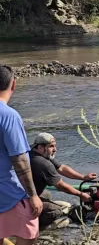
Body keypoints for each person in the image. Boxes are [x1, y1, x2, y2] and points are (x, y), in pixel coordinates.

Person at [0, 65, 43, 245]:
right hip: (9, 192)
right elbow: (20, 160)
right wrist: (33, 195)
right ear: (13, 85)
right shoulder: (9, 116)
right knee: (29, 234)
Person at [29, 132, 96, 228]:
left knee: (46, 193)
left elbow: (62, 168)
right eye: (51, 146)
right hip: (22, 198)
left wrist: (84, 177)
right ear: (40, 147)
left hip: (23, 193)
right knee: (55, 211)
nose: (55, 149)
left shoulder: (35, 153)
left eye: (55, 146)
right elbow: (61, 186)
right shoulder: (43, 163)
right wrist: (80, 194)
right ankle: (36, 224)